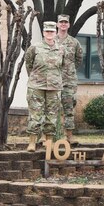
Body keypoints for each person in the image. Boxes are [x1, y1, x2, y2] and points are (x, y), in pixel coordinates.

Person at [24, 22, 66, 152]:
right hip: (36, 86)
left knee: (52, 115)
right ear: (43, 32)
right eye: (47, 31)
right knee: (35, 115)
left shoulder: (61, 49)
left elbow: (63, 66)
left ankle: (49, 142)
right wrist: (35, 78)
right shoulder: (34, 48)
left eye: (52, 31)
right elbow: (28, 64)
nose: (49, 34)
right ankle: (32, 142)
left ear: (55, 33)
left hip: (54, 87)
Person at [56, 14, 84, 143]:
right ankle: (49, 137)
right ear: (57, 24)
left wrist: (69, 70)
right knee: (50, 109)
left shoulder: (74, 42)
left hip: (68, 82)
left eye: (65, 22)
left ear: (68, 25)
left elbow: (79, 60)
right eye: (61, 22)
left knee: (69, 109)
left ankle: (69, 136)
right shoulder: (51, 40)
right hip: (53, 81)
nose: (63, 24)